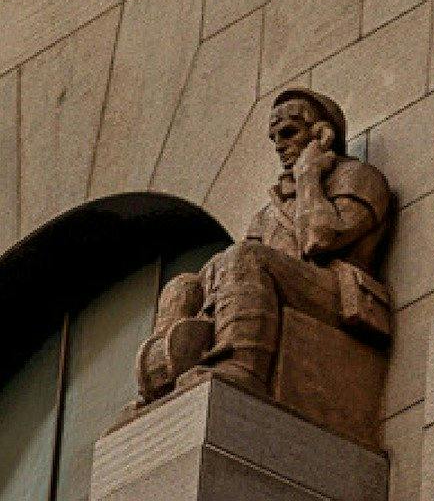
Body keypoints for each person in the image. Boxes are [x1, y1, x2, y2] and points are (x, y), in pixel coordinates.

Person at [132, 90, 391, 410]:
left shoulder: (358, 178)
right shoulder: (267, 214)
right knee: (185, 285)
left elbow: (320, 239)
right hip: (282, 288)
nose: (280, 145)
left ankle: (244, 365)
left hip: (337, 294)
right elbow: (237, 273)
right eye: (274, 137)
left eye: (289, 133)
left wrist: (309, 176)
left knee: (247, 258)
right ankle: (162, 379)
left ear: (322, 134)